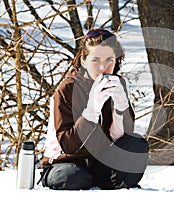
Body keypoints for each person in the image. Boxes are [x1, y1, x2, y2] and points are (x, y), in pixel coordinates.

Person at [39, 28, 149, 190]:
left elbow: (123, 138)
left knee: (137, 146)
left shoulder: (117, 84)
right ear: (84, 61)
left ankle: (104, 182)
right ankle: (99, 182)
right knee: (73, 177)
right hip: (65, 162)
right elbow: (68, 145)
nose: (103, 67)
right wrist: (91, 110)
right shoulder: (67, 89)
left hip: (99, 162)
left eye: (109, 60)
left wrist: (121, 108)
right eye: (96, 59)